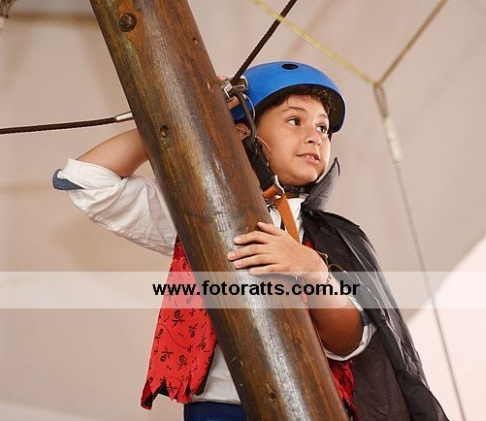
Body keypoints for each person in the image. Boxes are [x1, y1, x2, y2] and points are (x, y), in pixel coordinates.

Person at [53, 62, 448, 421]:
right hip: (219, 409)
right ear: (242, 131)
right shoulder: (199, 212)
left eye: (323, 128)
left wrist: (315, 272)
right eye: (295, 120)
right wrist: (183, 116)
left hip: (311, 408)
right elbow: (89, 181)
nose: (315, 137)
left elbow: (349, 345)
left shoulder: (338, 238)